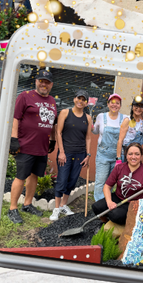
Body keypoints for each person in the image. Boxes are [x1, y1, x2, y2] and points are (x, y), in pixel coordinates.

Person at [8, 68, 58, 225]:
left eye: (47, 82)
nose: (44, 84)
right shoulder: (25, 96)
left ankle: (27, 204)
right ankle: (12, 208)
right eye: (41, 81)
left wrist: (52, 140)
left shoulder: (52, 101)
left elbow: (53, 123)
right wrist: (13, 139)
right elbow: (15, 118)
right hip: (25, 145)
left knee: (34, 176)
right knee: (21, 176)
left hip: (41, 147)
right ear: (36, 81)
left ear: (51, 85)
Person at [91, 143, 143, 227]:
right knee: (96, 207)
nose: (133, 157)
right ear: (126, 155)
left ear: (141, 156)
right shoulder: (119, 168)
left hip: (134, 204)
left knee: (115, 215)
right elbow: (107, 186)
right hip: (118, 197)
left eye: (137, 154)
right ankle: (105, 223)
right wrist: (109, 202)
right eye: (130, 154)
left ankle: (126, 226)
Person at [50, 90, 93, 220]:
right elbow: (58, 132)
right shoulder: (65, 113)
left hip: (80, 154)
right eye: (79, 98)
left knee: (72, 180)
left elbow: (88, 138)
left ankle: (64, 205)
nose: (80, 101)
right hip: (66, 152)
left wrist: (88, 155)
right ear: (74, 99)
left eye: (83, 99)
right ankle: (56, 209)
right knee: (62, 179)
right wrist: (61, 152)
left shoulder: (88, 118)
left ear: (86, 103)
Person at [92, 93, 128, 199]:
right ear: (108, 104)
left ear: (120, 106)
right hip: (103, 154)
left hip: (117, 155)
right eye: (112, 102)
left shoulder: (125, 118)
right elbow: (95, 131)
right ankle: (99, 206)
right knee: (100, 181)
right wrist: (90, 126)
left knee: (111, 182)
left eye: (117, 103)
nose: (114, 105)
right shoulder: (101, 116)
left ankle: (106, 203)